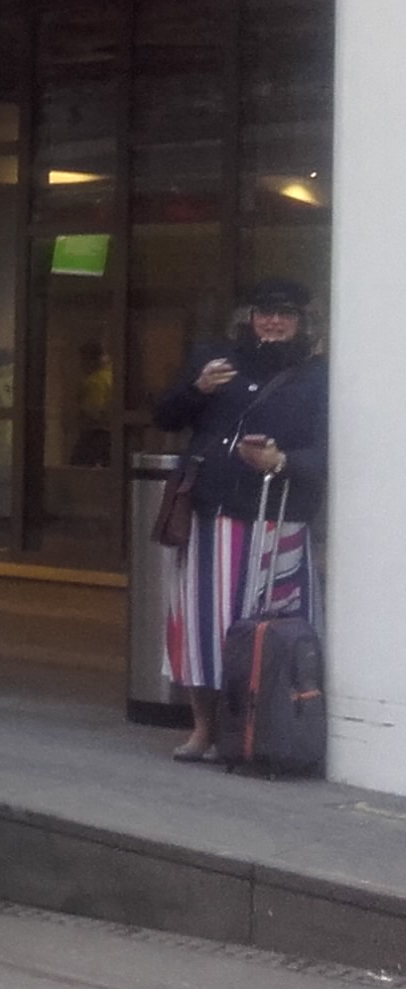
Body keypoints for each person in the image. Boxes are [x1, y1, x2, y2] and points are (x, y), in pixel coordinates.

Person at [151, 279, 329, 762]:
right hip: (214, 519)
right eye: (265, 313)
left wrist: (281, 461)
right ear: (249, 318)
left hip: (280, 526)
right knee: (206, 629)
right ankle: (203, 730)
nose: (274, 322)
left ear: (301, 323)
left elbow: (328, 450)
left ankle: (263, 730)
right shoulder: (216, 361)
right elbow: (165, 416)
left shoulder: (318, 376)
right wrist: (197, 388)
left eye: (286, 315)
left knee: (272, 635)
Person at [68, 340, 114, 467]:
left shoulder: (95, 381)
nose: (80, 365)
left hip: (96, 435)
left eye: (83, 360)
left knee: (80, 468)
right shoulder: (113, 376)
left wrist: (78, 410)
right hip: (112, 435)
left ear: (90, 360)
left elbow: (94, 412)